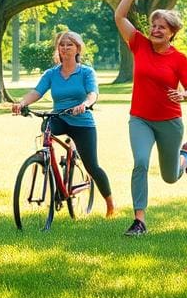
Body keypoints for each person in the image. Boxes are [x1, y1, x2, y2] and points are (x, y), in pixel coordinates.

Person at [114, 0, 187, 237]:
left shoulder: (179, 59)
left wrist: (184, 95)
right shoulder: (139, 44)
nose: (155, 29)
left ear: (172, 32)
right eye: (153, 25)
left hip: (169, 122)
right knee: (140, 161)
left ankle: (185, 156)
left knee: (170, 176)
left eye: (162, 27)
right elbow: (120, 15)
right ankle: (139, 220)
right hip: (140, 118)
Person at [11, 30, 115, 216]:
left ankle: (110, 204)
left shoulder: (86, 72)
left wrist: (85, 104)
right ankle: (47, 163)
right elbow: (37, 92)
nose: (65, 48)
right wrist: (22, 103)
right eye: (62, 44)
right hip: (59, 117)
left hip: (82, 122)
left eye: (70, 44)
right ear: (57, 49)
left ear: (77, 49)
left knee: (92, 165)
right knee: (46, 129)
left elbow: (93, 94)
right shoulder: (52, 74)